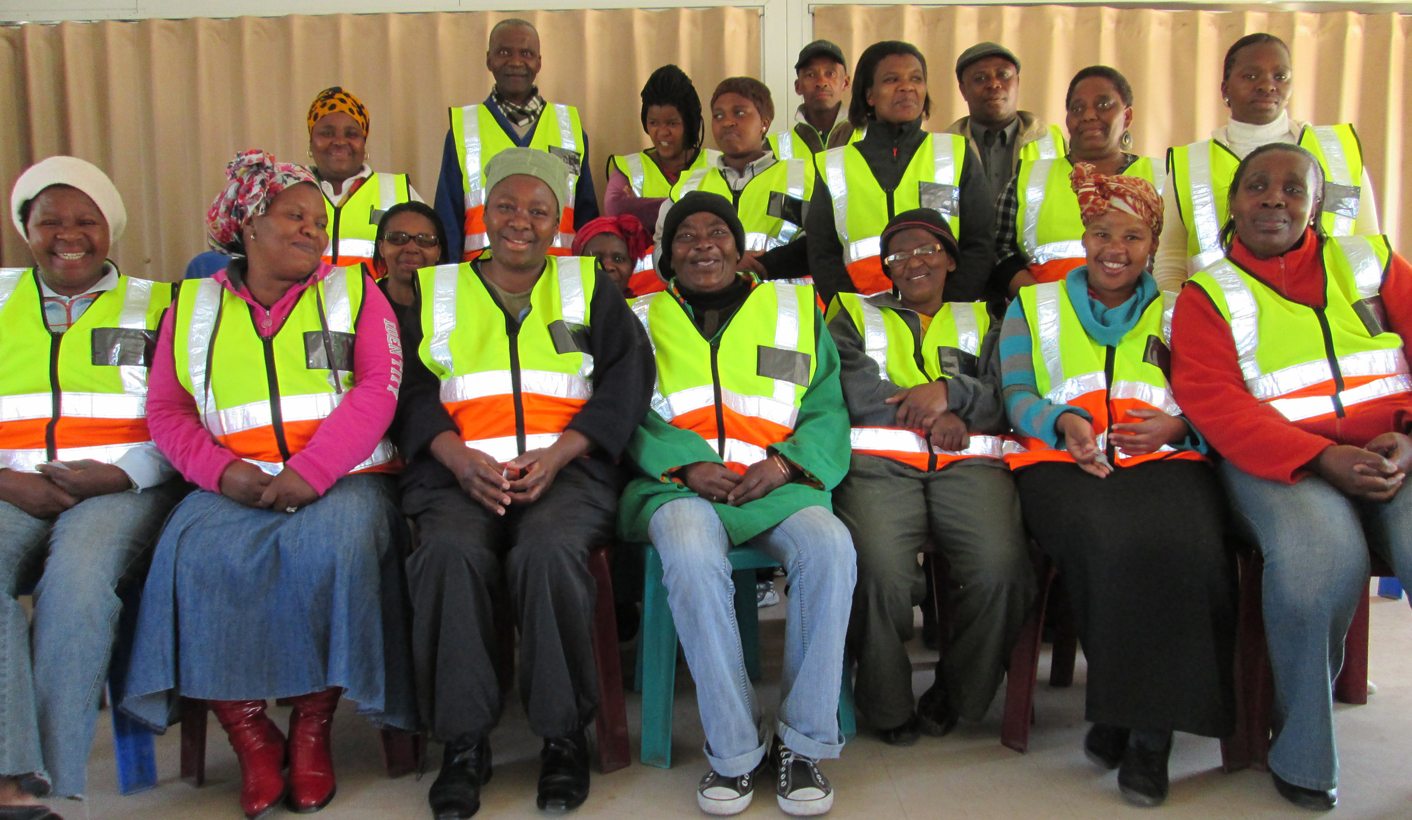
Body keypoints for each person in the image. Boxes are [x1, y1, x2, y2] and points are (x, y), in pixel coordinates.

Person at [119, 150, 415, 820]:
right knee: (193, 555)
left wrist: (309, 475)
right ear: (249, 226)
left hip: (344, 478)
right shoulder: (191, 305)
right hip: (234, 481)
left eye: (317, 219)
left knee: (336, 546)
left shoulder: (355, 291)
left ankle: (312, 725)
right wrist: (224, 472)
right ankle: (250, 731)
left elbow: (379, 390)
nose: (313, 229)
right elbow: (166, 410)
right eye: (294, 216)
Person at [394, 148, 653, 819]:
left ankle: (563, 737)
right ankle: (463, 743)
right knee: (448, 555)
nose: (520, 221)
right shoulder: (437, 290)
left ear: (558, 220)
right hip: (458, 474)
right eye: (506, 206)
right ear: (483, 211)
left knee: (547, 552)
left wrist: (563, 454)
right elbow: (410, 388)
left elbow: (626, 380)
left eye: (538, 210)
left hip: (566, 473)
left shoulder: (589, 286)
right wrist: (454, 457)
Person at [1170, 143, 1412, 811]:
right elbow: (1213, 401)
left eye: (1291, 188)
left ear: (1314, 203)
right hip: (1280, 466)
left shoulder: (1370, 264)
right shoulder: (1209, 292)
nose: (1274, 198)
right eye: (1257, 186)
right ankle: (1302, 748)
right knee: (1317, 569)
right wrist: (1319, 457)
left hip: (1394, 455)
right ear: (1234, 201)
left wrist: (1410, 438)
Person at [1000, 164, 1235, 807]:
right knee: (1109, 545)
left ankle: (1138, 727)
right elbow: (1015, 394)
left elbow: (1217, 400)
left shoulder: (1186, 308)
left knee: (1191, 549)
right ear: (1084, 237)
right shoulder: (1034, 304)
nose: (1115, 249)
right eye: (1102, 233)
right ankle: (1141, 730)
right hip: (1059, 463)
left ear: (1152, 247)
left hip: (1165, 462)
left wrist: (1177, 426)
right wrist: (1063, 420)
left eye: (1132, 237)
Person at [619, 192, 855, 816]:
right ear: (667, 255)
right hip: (676, 484)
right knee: (692, 556)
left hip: (778, 482)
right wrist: (686, 463)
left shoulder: (795, 306)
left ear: (739, 244)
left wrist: (783, 464)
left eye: (717, 231)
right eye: (686, 236)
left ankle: (802, 742)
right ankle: (735, 749)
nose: (703, 244)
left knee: (831, 547)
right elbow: (625, 412)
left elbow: (827, 405)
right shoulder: (637, 318)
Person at [0, 157, 184, 817]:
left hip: (119, 490)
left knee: (76, 583)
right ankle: (11, 774)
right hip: (9, 487)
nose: (67, 235)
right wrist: (6, 481)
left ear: (111, 230)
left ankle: (45, 781)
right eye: (50, 221)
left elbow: (186, 418)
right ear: (27, 228)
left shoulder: (160, 304)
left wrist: (118, 474)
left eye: (85, 221)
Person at [827, 209, 1033, 746]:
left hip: (969, 464)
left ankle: (957, 693)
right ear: (886, 269)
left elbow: (1008, 390)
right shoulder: (852, 312)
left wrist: (953, 395)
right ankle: (888, 704)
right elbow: (852, 389)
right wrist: (932, 411)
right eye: (897, 256)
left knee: (1002, 571)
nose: (913, 262)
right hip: (879, 467)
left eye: (926, 251)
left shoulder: (990, 316)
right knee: (879, 572)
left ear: (949, 259)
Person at [1156, 32, 1381, 291]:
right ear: (1224, 88)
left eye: (1280, 76)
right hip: (1223, 317)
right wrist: (1173, 316)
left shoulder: (1335, 151)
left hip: (1327, 317)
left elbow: (1366, 244)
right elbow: (1171, 259)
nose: (1267, 85)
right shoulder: (1192, 164)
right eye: (1250, 76)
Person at [807, 40, 995, 303]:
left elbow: (980, 242)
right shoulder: (834, 165)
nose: (907, 87)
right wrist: (853, 314)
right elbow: (822, 254)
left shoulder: (956, 152)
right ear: (869, 95)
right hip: (862, 324)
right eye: (891, 79)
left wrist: (946, 308)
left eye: (916, 78)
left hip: (945, 318)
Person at [434, 18, 599, 261]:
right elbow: (448, 219)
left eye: (526, 53)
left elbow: (587, 217)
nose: (515, 61)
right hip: (484, 279)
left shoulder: (569, 128)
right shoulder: (464, 128)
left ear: (539, 62)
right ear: (489, 59)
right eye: (504, 52)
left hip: (558, 279)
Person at [992, 66, 1162, 296]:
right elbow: (999, 251)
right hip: (1047, 321)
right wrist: (1045, 304)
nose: (1089, 115)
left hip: (1140, 319)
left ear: (1127, 116)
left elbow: (1175, 258)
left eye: (1103, 105)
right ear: (1068, 120)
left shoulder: (1162, 177)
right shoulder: (1029, 178)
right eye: (1077, 108)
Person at [670, 77, 814, 282]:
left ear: (765, 122)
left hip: (782, 305)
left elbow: (824, 243)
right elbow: (663, 253)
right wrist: (727, 263)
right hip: (708, 308)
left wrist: (763, 266)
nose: (727, 122)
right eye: (718, 116)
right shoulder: (690, 185)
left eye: (739, 113)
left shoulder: (802, 176)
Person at [305, 86, 421, 269]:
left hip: (376, 298)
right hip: (306, 298)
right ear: (311, 142)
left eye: (351, 134)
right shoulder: (291, 191)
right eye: (327, 133)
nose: (340, 142)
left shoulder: (399, 191)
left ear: (364, 143)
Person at [943, 42, 1064, 196]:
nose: (994, 84)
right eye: (980, 78)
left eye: (1004, 75)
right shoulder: (943, 148)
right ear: (963, 90)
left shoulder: (1051, 141)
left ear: (1018, 82)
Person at [605, 64, 714, 228]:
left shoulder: (717, 164)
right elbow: (615, 209)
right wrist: (700, 210)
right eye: (653, 123)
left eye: (672, 123)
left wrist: (639, 208)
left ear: (690, 123)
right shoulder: (628, 167)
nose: (662, 132)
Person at [768, 40, 857, 159]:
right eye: (810, 75)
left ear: (845, 83)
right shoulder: (773, 148)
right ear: (798, 86)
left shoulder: (870, 137)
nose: (821, 83)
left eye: (830, 74)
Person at [372, 200, 449, 325]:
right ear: (381, 248)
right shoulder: (364, 302)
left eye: (424, 239)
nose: (411, 249)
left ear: (439, 251)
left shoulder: (453, 306)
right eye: (398, 238)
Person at [571, 214, 660, 297]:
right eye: (596, 259)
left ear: (631, 268)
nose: (608, 267)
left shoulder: (648, 311)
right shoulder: (563, 309)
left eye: (618, 259)